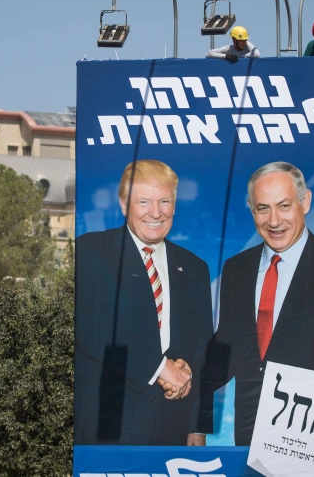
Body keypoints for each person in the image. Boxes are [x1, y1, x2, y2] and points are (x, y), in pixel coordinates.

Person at [202, 162, 314, 447]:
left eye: (284, 205)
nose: (274, 220)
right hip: (249, 443)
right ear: (251, 209)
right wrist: (186, 384)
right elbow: (228, 349)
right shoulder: (236, 269)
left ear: (305, 202)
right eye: (263, 208)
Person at [74, 160, 213, 446]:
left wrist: (197, 426)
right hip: (107, 427)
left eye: (164, 201)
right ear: (124, 205)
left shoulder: (195, 267)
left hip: (172, 429)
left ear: (174, 206)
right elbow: (92, 330)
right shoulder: (92, 251)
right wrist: (161, 369)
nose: (155, 212)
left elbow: (203, 352)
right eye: (144, 201)